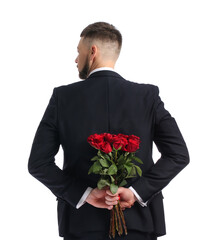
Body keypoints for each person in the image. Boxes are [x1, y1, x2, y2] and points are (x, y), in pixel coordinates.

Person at [28, 22, 189, 240]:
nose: (76, 59)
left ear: (92, 51)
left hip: (80, 224)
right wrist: (136, 192)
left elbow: (38, 163)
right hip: (140, 223)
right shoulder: (147, 96)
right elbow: (178, 154)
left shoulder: (62, 98)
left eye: (79, 51)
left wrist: (84, 195)